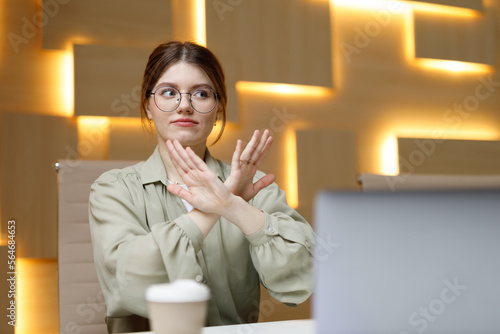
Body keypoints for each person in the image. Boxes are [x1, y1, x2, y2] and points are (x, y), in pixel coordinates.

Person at [89, 41, 315, 334]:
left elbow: (304, 276)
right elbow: (129, 280)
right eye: (169, 92)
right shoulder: (112, 189)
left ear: (218, 109)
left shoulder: (250, 183)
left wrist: (235, 207)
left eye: (201, 94)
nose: (185, 105)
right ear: (147, 106)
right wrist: (216, 207)